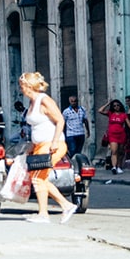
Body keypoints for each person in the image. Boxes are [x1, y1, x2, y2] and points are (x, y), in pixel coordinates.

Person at [17, 72, 78, 222]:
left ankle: (46, 213)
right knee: (38, 178)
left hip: (51, 144)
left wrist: (55, 141)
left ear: (28, 86)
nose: (21, 89)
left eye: (22, 86)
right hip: (39, 145)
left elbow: (60, 120)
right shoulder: (32, 102)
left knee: (38, 178)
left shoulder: (44, 100)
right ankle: (63, 206)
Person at [101, 98, 130, 174]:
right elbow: (100, 110)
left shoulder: (123, 115)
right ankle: (114, 167)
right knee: (114, 151)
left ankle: (119, 167)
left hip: (121, 134)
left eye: (118, 105)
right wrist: (108, 103)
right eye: (114, 106)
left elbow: (128, 123)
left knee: (121, 152)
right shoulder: (110, 114)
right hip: (112, 135)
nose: (116, 107)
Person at [60, 94, 89, 170]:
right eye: (72, 101)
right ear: (69, 102)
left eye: (75, 101)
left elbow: (85, 120)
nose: (74, 103)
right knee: (72, 150)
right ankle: (72, 164)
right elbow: (63, 123)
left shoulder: (82, 109)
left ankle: (78, 165)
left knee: (78, 151)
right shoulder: (66, 111)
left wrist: (88, 131)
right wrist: (62, 133)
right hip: (71, 134)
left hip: (80, 133)